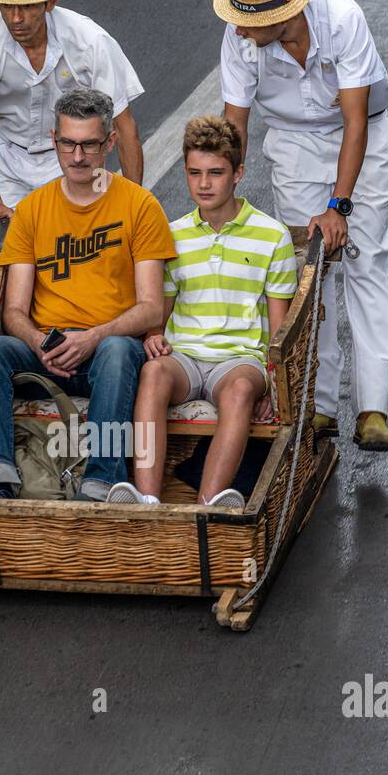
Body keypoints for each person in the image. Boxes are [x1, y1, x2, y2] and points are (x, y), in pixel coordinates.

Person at [215, 0, 388, 450]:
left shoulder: (342, 19)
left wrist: (339, 206)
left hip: (361, 137)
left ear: (282, 17)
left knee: (366, 264)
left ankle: (373, 409)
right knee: (308, 274)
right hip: (294, 145)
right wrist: (220, 194)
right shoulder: (240, 39)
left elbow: (356, 121)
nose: (238, 32)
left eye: (249, 24)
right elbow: (235, 122)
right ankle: (317, 407)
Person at [0, 88, 175, 501]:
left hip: (108, 351)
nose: (77, 157)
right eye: (68, 143)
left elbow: (150, 308)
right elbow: (15, 311)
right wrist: (39, 342)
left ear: (109, 143)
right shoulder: (32, 210)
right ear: (54, 139)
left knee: (116, 351)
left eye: (89, 145)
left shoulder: (139, 205)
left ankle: (102, 481)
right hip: (49, 350)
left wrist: (92, 337)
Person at [108, 116, 297, 509]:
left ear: (238, 173)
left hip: (239, 360)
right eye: (195, 173)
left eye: (216, 172)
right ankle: (146, 499)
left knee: (242, 389)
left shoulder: (272, 236)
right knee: (153, 371)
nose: (205, 183)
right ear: (186, 173)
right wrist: (153, 335)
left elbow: (280, 328)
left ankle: (209, 505)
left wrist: (275, 383)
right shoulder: (172, 235)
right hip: (186, 357)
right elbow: (158, 314)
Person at [0, 0, 145, 239]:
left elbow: (124, 125)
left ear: (50, 1)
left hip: (74, 160)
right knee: (7, 271)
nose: (16, 19)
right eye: (7, 6)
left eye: (27, 6)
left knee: (83, 254)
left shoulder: (91, 41)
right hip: (10, 165)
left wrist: (136, 207)